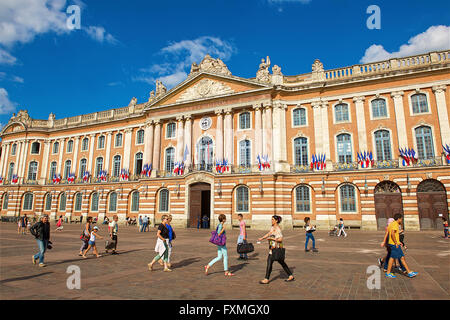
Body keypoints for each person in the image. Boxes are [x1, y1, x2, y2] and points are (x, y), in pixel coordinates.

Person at [258, 215, 294, 284]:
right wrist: (262, 238)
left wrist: (273, 239)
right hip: (272, 248)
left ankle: (266, 279)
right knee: (277, 262)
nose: (271, 221)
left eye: (273, 219)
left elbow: (280, 239)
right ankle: (290, 275)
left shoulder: (278, 229)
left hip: (276, 249)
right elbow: (269, 233)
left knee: (272, 262)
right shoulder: (272, 227)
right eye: (271, 219)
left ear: (276, 221)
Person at [385, 214, 418, 279]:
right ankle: (409, 272)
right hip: (394, 244)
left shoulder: (391, 224)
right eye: (401, 219)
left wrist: (398, 241)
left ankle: (408, 271)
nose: (401, 220)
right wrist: (396, 242)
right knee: (400, 258)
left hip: (393, 243)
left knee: (394, 258)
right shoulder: (395, 224)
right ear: (399, 219)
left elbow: (394, 233)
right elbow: (392, 234)